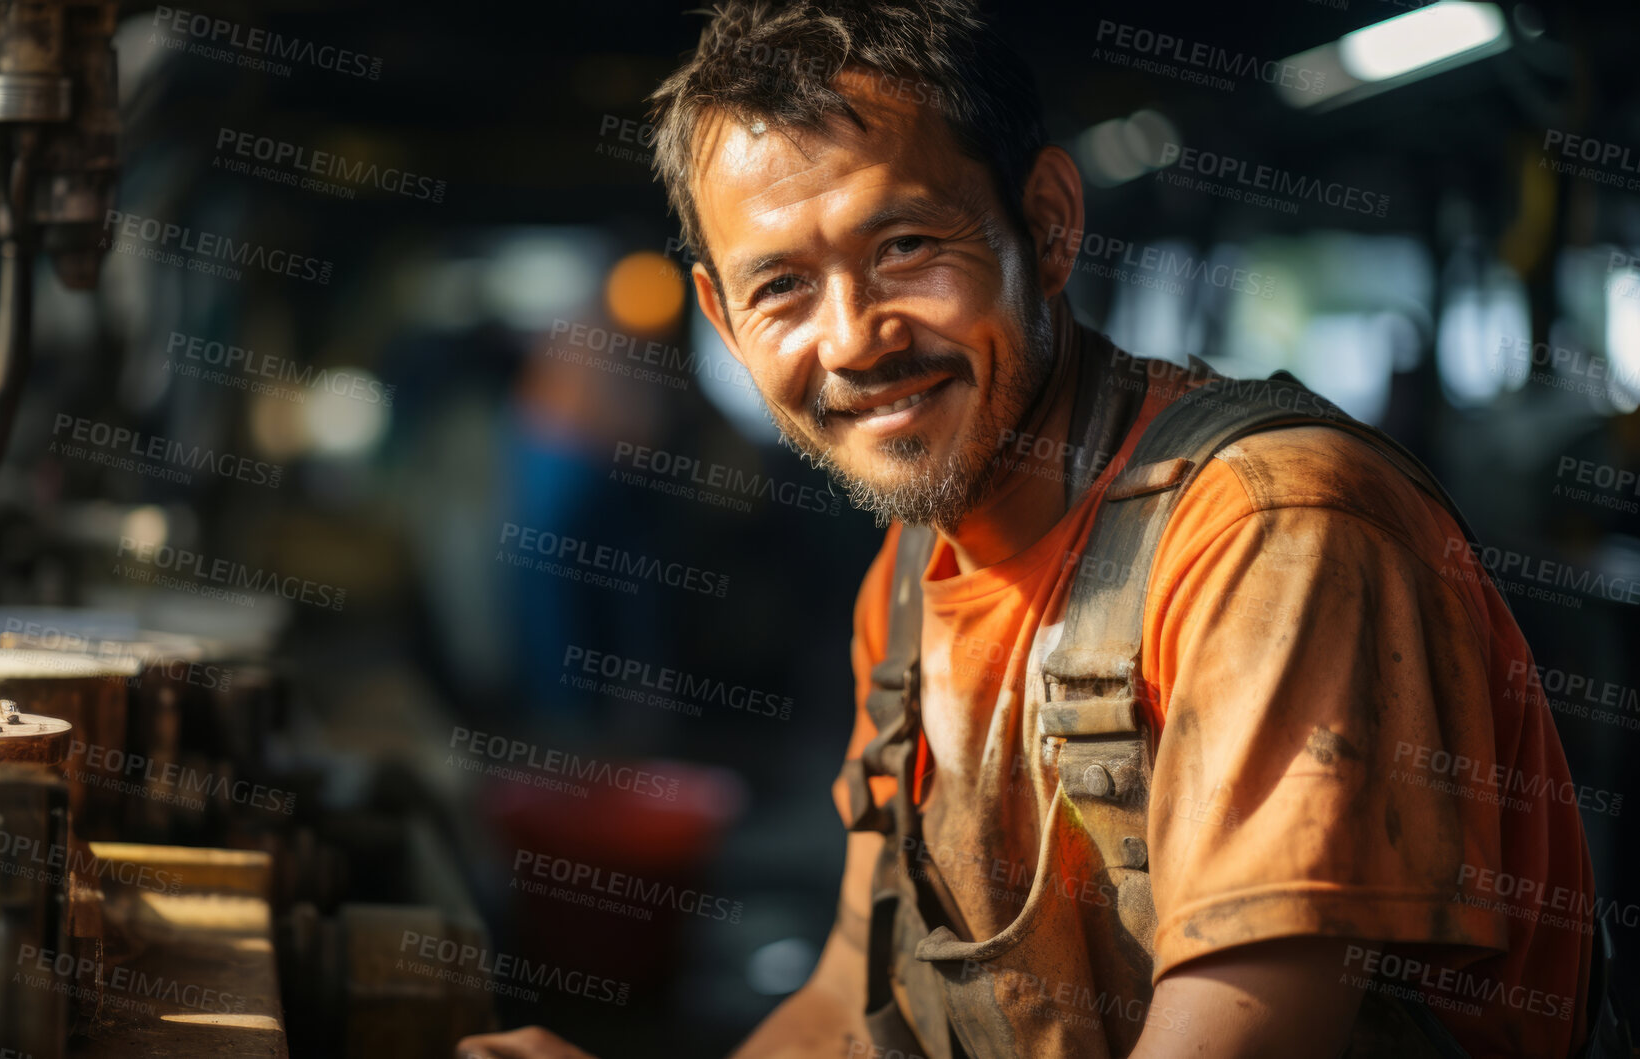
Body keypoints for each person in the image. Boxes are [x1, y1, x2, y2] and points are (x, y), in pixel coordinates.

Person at [459, 2, 1599, 1055]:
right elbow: (845, 1000)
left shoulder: (1268, 537)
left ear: (1047, 225)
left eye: (903, 245)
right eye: (781, 289)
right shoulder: (911, 577)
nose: (853, 340)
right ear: (719, 314)